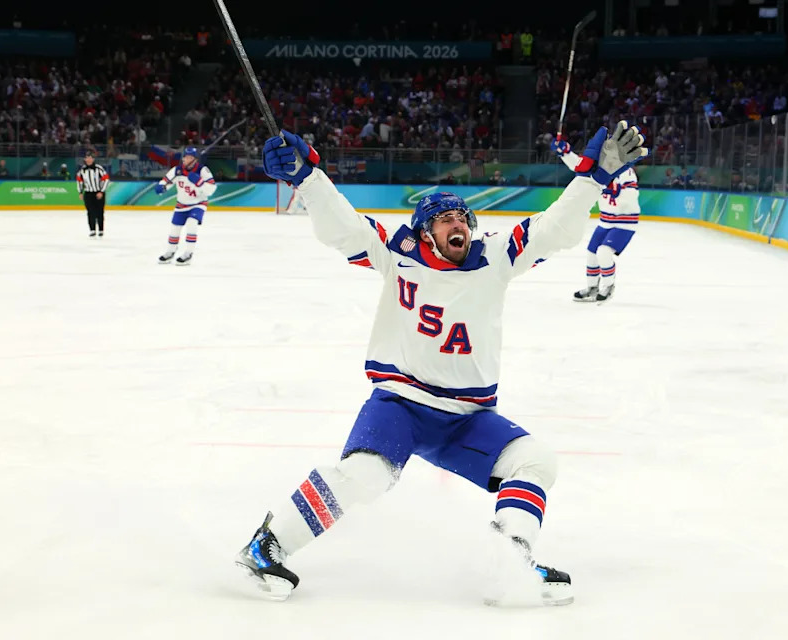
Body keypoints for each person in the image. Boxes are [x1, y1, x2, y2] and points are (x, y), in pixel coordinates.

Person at [234, 122, 647, 606]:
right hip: (401, 404)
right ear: (425, 230)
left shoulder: (496, 254)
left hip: (467, 420)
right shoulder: (397, 254)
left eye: (462, 217)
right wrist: (307, 177)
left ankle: (508, 563)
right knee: (366, 475)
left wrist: (593, 180)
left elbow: (556, 229)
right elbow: (342, 225)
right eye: (445, 218)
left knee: (535, 461)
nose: (458, 224)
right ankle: (266, 544)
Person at [553, 139, 640, 303]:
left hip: (624, 222)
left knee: (603, 252)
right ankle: (592, 287)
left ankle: (608, 285)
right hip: (605, 220)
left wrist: (614, 190)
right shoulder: (600, 168)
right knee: (592, 252)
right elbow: (579, 167)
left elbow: (631, 196)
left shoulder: (625, 172)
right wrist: (564, 152)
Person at [154, 147, 216, 265]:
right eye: (185, 157)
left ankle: (188, 253)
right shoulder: (177, 170)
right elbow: (166, 181)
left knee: (192, 224)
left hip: (198, 203)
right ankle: (170, 251)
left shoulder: (203, 170)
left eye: (190, 158)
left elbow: (211, 190)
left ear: (195, 160)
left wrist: (200, 182)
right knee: (175, 228)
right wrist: (162, 187)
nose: (187, 160)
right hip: (181, 204)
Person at [75, 150, 109, 237]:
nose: (89, 160)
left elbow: (106, 179)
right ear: (85, 159)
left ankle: (101, 230)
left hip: (98, 193)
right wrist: (80, 192)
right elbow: (79, 182)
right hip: (88, 194)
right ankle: (92, 229)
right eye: (87, 158)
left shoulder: (99, 168)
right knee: (90, 212)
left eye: (90, 158)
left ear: (93, 159)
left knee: (100, 212)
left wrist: (101, 191)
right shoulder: (82, 170)